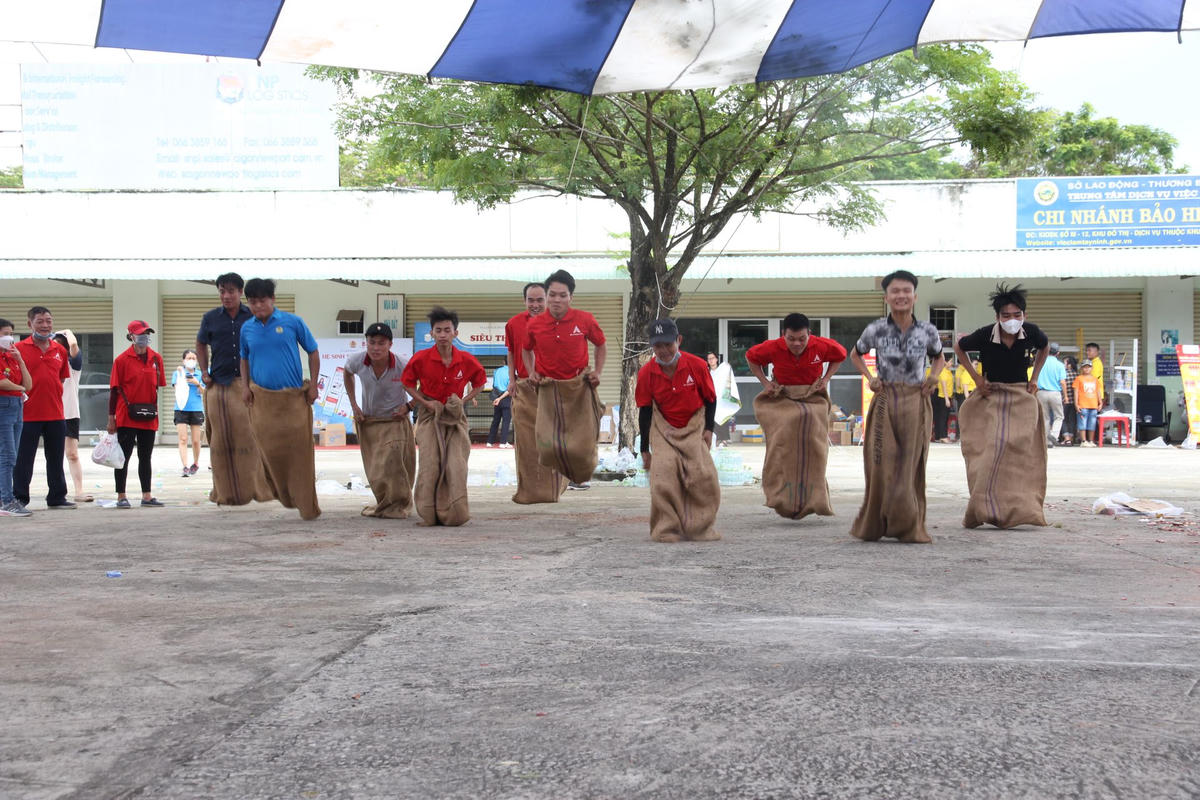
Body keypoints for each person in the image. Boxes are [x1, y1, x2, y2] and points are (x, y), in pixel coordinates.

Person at [848, 270, 943, 544]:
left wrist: (934, 377)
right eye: (895, 291)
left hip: (916, 398)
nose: (901, 296)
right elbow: (855, 354)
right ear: (887, 296)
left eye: (906, 291)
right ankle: (874, 524)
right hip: (885, 398)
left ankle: (909, 525)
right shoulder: (875, 329)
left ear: (915, 296)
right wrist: (870, 378)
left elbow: (939, 357)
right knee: (880, 460)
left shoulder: (928, 330)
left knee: (911, 462)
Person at [953, 284, 1050, 529]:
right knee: (991, 451)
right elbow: (959, 347)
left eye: (1017, 315)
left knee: (1021, 453)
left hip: (1021, 394)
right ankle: (980, 508)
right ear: (997, 317)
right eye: (1006, 316)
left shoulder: (1032, 332)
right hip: (992, 394)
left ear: (1024, 315)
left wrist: (1035, 377)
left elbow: (1045, 347)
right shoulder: (985, 334)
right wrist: (976, 378)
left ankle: (1021, 509)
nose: (1012, 320)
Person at [746, 313, 846, 519]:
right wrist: (765, 383)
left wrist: (826, 378)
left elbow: (840, 356)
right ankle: (779, 494)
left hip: (812, 397)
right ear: (784, 335)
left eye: (802, 339)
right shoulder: (772, 347)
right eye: (791, 339)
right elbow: (751, 358)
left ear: (809, 334)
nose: (797, 344)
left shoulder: (821, 346)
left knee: (815, 445)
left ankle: (814, 497)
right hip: (783, 397)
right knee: (782, 442)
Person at [240, 277, 322, 520]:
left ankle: (308, 505)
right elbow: (243, 359)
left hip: (294, 399)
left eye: (262, 300)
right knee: (268, 452)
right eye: (252, 302)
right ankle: (282, 494)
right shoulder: (247, 328)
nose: (258, 306)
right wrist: (245, 386)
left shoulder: (292, 322)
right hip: (262, 400)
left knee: (300, 454)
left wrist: (313, 385)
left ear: (272, 299)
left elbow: (313, 351)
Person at [636, 318, 721, 542]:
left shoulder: (697, 365)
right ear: (651, 346)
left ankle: (699, 527)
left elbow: (710, 400)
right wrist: (645, 449)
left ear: (679, 340)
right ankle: (666, 528)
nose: (663, 351)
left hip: (694, 425)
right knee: (663, 475)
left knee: (702, 476)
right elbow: (644, 411)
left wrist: (709, 429)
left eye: (668, 344)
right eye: (657, 346)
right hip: (663, 427)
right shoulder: (646, 373)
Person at [522, 269, 607, 489]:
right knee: (547, 446)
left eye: (562, 295)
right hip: (549, 388)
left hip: (579, 387)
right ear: (547, 295)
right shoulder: (535, 324)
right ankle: (561, 476)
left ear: (571, 297)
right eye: (552, 294)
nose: (556, 299)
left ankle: (578, 476)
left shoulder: (585, 319)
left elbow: (600, 344)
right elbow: (526, 350)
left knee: (580, 446)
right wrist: (532, 372)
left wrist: (597, 372)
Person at [403, 307, 486, 526]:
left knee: (455, 465)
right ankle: (428, 514)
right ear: (431, 333)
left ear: (455, 333)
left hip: (456, 418)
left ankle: (454, 512)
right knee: (430, 464)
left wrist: (463, 401)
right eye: (438, 330)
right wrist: (424, 402)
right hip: (430, 417)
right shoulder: (421, 358)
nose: (442, 334)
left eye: (447, 330)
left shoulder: (466, 360)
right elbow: (408, 383)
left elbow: (480, 383)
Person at [196, 272, 274, 506]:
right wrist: (204, 371)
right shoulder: (210, 318)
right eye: (222, 291)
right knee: (220, 441)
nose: (226, 295)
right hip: (219, 385)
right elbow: (200, 344)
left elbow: (265, 346)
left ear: (241, 293)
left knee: (252, 438)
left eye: (231, 291)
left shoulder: (253, 315)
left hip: (247, 385)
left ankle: (256, 489)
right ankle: (224, 491)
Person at [345, 322, 416, 519]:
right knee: (376, 468)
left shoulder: (402, 364)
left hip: (395, 421)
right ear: (366, 343)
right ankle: (385, 502)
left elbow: (424, 386)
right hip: (369, 422)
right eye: (372, 343)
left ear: (390, 345)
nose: (376, 348)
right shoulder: (357, 361)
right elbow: (347, 373)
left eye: (381, 343)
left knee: (393, 463)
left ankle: (399, 504)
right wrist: (354, 405)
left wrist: (409, 406)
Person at [505, 281, 566, 503]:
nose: (535, 304)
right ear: (525, 301)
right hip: (525, 387)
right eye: (531, 300)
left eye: (540, 300)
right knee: (527, 442)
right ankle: (530, 491)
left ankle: (556, 487)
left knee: (555, 440)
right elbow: (511, 353)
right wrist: (511, 381)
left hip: (553, 387)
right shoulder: (513, 324)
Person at [13, 306, 74, 510]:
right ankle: (19, 498)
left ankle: (57, 497)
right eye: (40, 321)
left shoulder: (60, 350)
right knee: (24, 459)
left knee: (56, 458)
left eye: (48, 321)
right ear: (29, 324)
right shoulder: (19, 349)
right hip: (27, 414)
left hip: (55, 413)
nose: (46, 325)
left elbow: (62, 378)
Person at [108, 320, 167, 508]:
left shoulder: (156, 359)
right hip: (126, 415)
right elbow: (114, 391)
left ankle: (147, 495)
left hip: (148, 416)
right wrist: (111, 419)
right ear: (131, 336)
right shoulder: (121, 360)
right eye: (140, 334)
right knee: (123, 457)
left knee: (146, 456)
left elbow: (158, 387)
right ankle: (121, 495)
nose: (144, 337)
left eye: (147, 334)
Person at [52, 329, 91, 502]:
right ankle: (56, 492)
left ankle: (79, 491)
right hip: (50, 413)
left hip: (69, 414)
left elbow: (74, 344)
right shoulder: (47, 363)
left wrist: (66, 332)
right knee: (53, 456)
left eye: (61, 345)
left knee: (72, 454)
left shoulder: (72, 365)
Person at [0, 319, 33, 517]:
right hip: (4, 405)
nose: (9, 337)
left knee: (11, 455)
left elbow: (28, 384)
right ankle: (6, 500)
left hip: (17, 406)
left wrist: (20, 359)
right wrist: (20, 388)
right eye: (5, 333)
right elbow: (3, 382)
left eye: (11, 333)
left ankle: (5, 497)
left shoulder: (11, 357)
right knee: (7, 455)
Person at [172, 349, 205, 477]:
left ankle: (195, 463)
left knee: (196, 440)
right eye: (188, 358)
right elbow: (177, 389)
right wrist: (181, 374)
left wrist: (197, 384)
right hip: (181, 408)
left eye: (193, 358)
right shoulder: (177, 373)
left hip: (196, 409)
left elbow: (204, 392)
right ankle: (185, 466)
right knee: (183, 438)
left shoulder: (200, 374)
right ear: (183, 360)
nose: (191, 360)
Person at [1035, 342, 1069, 448]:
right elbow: (1062, 382)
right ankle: (1054, 435)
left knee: (1045, 418)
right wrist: (1066, 396)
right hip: (1055, 393)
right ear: (1058, 353)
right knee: (1059, 416)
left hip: (1041, 393)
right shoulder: (1060, 365)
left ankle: (1047, 441)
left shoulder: (1040, 362)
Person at [707, 351, 740, 445]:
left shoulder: (722, 370)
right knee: (713, 418)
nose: (711, 361)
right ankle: (716, 439)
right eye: (709, 359)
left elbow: (727, 375)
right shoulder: (707, 372)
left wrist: (727, 367)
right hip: (712, 399)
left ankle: (724, 439)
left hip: (722, 399)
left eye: (712, 358)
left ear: (716, 359)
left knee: (723, 417)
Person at [1073, 360, 1101, 446]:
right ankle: (1083, 441)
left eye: (1089, 367)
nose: (1087, 369)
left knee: (1092, 423)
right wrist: (1076, 404)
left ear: (1092, 368)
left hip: (1093, 405)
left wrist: (1100, 402)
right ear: (1082, 368)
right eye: (1085, 367)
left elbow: (1098, 391)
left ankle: (1091, 440)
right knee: (1082, 423)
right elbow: (1076, 392)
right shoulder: (1079, 379)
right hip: (1083, 405)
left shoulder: (1095, 379)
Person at [929, 358, 955, 443]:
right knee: (943, 417)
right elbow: (943, 387)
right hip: (943, 397)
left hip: (948, 396)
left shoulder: (949, 372)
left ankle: (940, 436)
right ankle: (943, 436)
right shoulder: (943, 372)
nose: (952, 363)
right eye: (950, 361)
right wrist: (947, 399)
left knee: (944, 417)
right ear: (945, 362)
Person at [486, 363, 512, 448]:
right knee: (506, 421)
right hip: (506, 398)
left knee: (495, 420)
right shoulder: (511, 372)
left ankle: (490, 442)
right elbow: (509, 389)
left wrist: (497, 398)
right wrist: (501, 398)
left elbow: (494, 385)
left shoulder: (496, 371)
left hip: (496, 397)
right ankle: (503, 442)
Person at [1061, 355, 1079, 445]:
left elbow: (1061, 385)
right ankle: (1071, 438)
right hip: (1074, 402)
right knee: (1072, 420)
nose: (1063, 364)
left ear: (1069, 365)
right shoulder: (1077, 375)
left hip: (1064, 400)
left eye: (1064, 362)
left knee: (1063, 419)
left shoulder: (1063, 373)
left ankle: (1066, 438)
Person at [1085, 342, 1105, 407]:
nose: (1087, 352)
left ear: (1096, 352)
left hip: (1094, 395)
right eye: (1086, 350)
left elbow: (1092, 380)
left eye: (1089, 350)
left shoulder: (1096, 364)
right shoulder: (1091, 362)